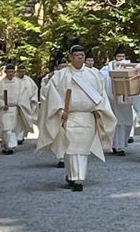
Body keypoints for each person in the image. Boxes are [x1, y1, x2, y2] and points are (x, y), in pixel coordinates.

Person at [42, 45, 116, 191]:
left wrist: (99, 111)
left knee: (82, 149)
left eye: (82, 55)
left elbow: (101, 96)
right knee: (71, 149)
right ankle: (72, 175)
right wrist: (59, 110)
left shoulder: (93, 75)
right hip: (69, 116)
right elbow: (50, 94)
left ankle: (78, 179)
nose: (80, 58)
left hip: (87, 116)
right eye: (76, 55)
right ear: (71, 57)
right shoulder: (61, 75)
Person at [100, 46, 138, 155]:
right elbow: (102, 78)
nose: (121, 58)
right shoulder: (107, 68)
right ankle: (116, 146)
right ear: (114, 57)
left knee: (127, 122)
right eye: (119, 56)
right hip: (114, 100)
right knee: (116, 123)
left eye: (122, 56)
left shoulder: (129, 67)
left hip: (126, 101)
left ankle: (121, 144)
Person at [0, 64, 33, 154]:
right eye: (9, 72)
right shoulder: (1, 84)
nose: (11, 74)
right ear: (6, 72)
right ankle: (6, 145)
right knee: (6, 128)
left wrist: (20, 104)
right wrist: (2, 104)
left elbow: (23, 94)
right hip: (5, 109)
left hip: (15, 109)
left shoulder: (19, 83)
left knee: (13, 129)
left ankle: (10, 147)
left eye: (12, 72)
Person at [37, 55, 68, 167]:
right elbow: (44, 94)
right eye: (61, 66)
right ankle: (61, 158)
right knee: (59, 134)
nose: (64, 68)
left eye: (65, 66)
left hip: (69, 109)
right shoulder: (48, 78)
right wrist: (57, 106)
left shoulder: (71, 76)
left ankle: (67, 156)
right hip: (54, 109)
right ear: (56, 67)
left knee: (68, 134)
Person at [14, 64, 38, 144]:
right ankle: (16, 137)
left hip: (26, 104)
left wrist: (34, 99)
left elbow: (34, 90)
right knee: (15, 122)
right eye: (20, 71)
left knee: (24, 121)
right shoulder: (13, 80)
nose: (22, 73)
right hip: (15, 105)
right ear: (17, 71)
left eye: (23, 71)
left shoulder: (29, 80)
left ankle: (21, 136)